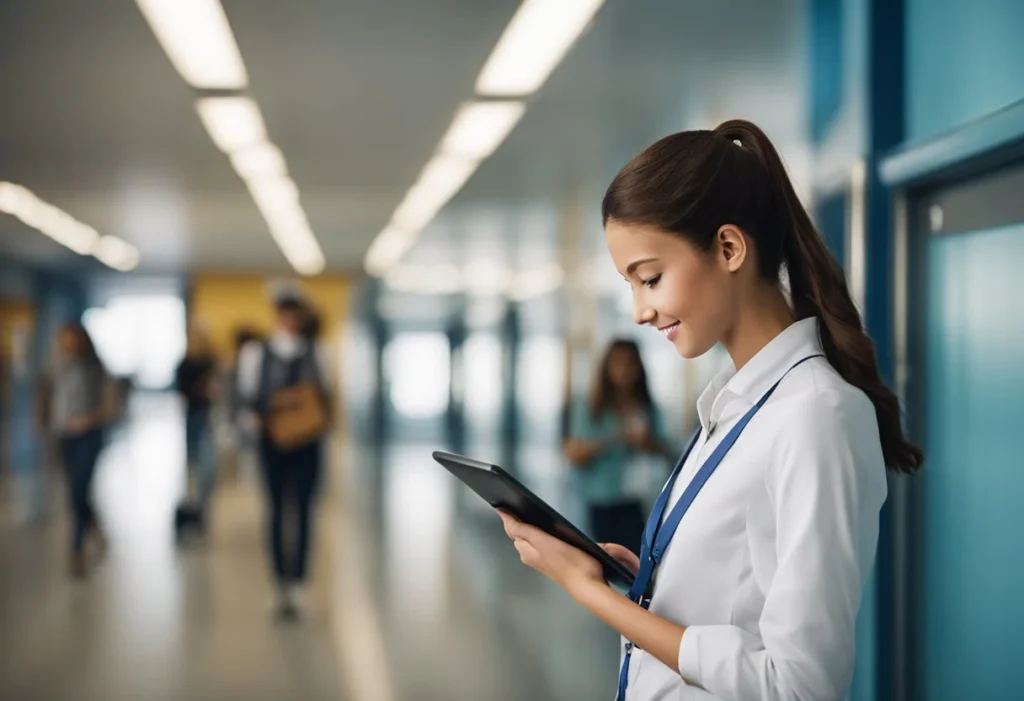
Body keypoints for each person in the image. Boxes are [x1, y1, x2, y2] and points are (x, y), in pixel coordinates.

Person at [497, 120, 924, 701]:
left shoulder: (816, 416)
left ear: (728, 248)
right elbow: (731, 597)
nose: (639, 311)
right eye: (629, 283)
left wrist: (588, 593)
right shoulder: (732, 405)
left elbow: (798, 687)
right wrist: (637, 580)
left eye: (649, 278)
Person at [237, 290, 331, 618]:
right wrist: (267, 421)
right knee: (276, 511)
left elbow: (326, 398)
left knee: (304, 512)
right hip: (272, 444)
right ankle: (280, 584)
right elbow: (247, 400)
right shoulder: (255, 353)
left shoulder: (318, 352)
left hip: (308, 444)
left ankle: (299, 584)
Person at [564, 339, 668, 554]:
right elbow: (574, 454)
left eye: (630, 363)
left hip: (636, 499)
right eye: (618, 363)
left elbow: (668, 450)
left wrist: (647, 443)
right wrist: (615, 438)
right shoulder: (590, 406)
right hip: (599, 500)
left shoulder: (646, 406)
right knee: (603, 561)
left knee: (635, 560)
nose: (624, 371)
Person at [44, 324, 114, 579]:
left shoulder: (95, 368)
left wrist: (89, 419)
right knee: (75, 493)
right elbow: (47, 396)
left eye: (72, 341)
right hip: (64, 436)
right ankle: (94, 527)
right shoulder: (56, 367)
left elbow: (110, 404)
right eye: (64, 341)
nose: (68, 345)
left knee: (79, 488)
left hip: (89, 434)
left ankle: (76, 552)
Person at [174, 323, 219, 531]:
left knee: (208, 467)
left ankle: (201, 507)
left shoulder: (211, 362)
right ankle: (194, 509)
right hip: (193, 417)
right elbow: (182, 394)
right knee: (194, 464)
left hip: (210, 417)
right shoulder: (184, 364)